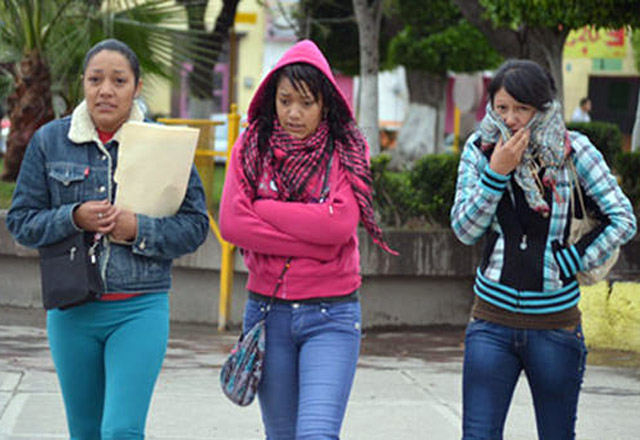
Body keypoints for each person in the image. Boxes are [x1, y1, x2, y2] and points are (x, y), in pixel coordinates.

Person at [7, 39, 209, 439]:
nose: (106, 90)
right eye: (95, 79)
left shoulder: (166, 145)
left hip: (140, 309)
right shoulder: (49, 142)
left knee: (121, 430)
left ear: (136, 87)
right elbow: (21, 221)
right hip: (71, 311)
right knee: (85, 432)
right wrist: (73, 217)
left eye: (119, 81)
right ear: (83, 83)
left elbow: (195, 226)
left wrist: (139, 229)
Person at [451, 59, 636, 440]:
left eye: (522, 108)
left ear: (544, 107)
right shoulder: (480, 148)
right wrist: (496, 173)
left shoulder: (574, 150)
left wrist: (571, 260)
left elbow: (623, 218)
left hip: (555, 327)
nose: (510, 119)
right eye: (502, 107)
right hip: (490, 323)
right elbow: (465, 230)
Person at [219, 39, 395, 439]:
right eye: (285, 101)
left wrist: (263, 208)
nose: (293, 113)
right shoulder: (251, 146)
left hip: (331, 316)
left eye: (306, 103)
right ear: (272, 99)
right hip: (267, 315)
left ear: (325, 105)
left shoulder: (347, 149)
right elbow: (231, 224)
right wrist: (315, 244)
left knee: (317, 433)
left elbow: (339, 227)